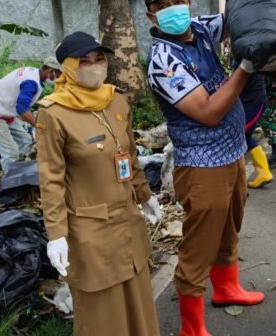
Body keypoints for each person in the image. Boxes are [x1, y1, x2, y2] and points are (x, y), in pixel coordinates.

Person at [143, 0, 276, 335]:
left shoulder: (202, 29)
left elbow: (238, 15)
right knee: (199, 244)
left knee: (229, 228)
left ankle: (226, 288)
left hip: (234, 152)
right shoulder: (163, 60)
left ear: (189, 2)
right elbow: (208, 112)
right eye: (162, 6)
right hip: (202, 164)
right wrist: (246, 68)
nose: (173, 9)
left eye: (178, 0)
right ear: (150, 16)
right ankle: (192, 326)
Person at [36, 32, 163, 336]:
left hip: (127, 221)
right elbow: (51, 179)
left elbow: (129, 155)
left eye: (99, 59)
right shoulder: (53, 113)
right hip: (90, 231)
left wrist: (145, 195)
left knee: (139, 304)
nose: (94, 66)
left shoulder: (115, 99)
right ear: (67, 67)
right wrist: (56, 234)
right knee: (103, 317)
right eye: (84, 61)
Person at [0, 56, 62, 164]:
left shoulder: (33, 72)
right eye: (57, 75)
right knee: (10, 152)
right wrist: (39, 125)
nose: (57, 79)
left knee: (26, 141)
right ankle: (10, 178)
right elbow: (22, 109)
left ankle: (20, 167)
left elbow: (25, 97)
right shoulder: (31, 83)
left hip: (5, 110)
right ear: (50, 71)